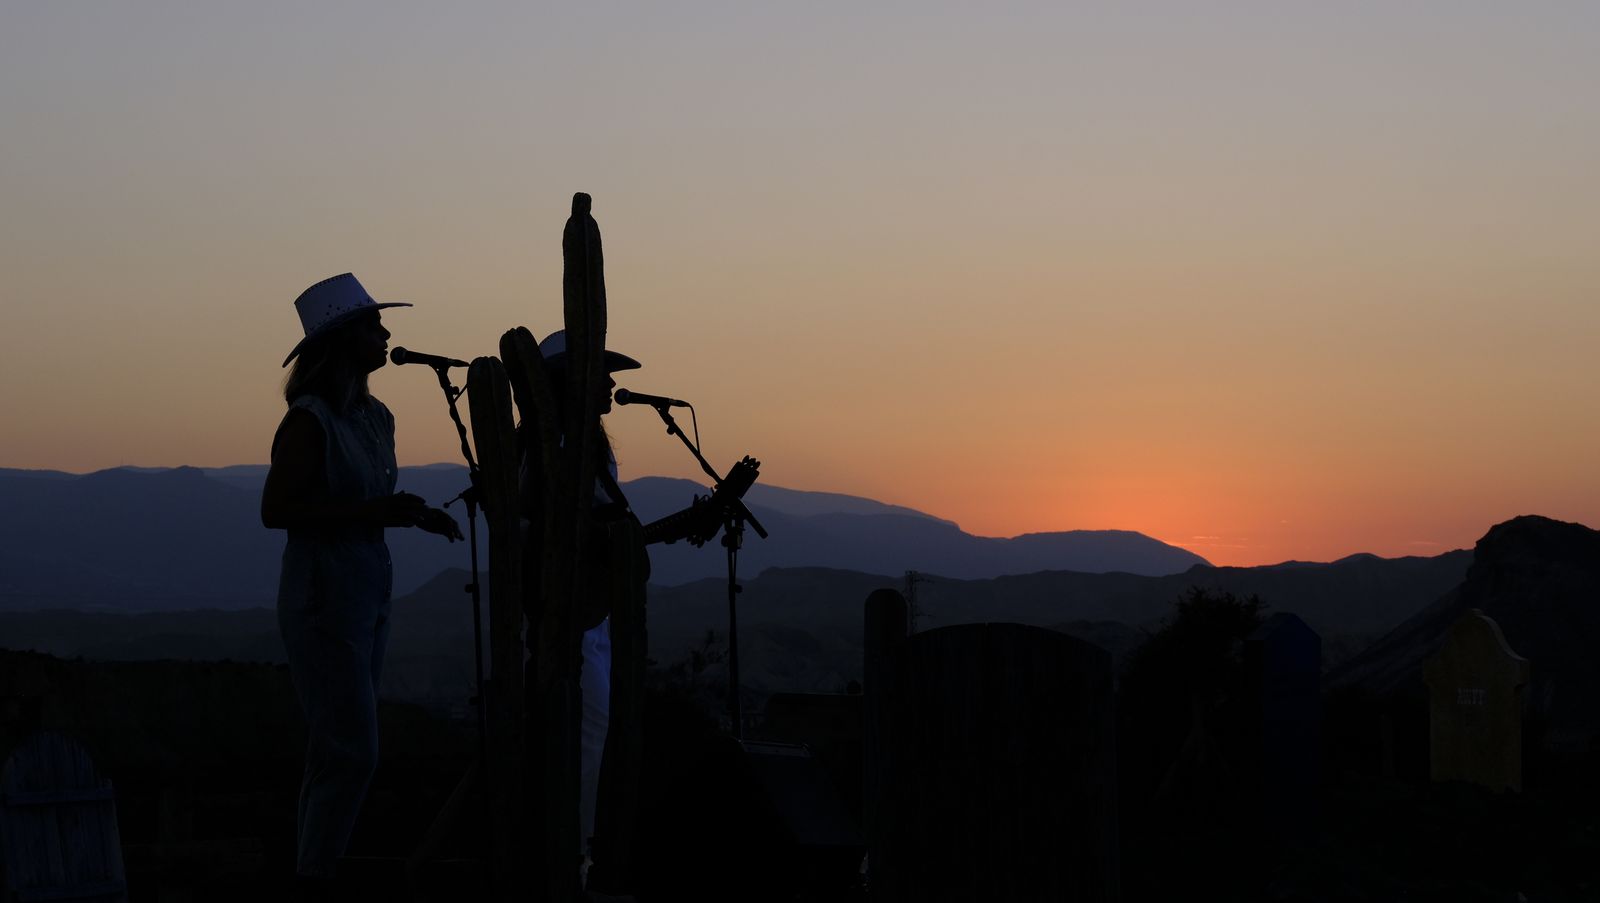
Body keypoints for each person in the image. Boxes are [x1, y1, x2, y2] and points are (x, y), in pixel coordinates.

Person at [261, 273, 462, 890]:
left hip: (367, 590)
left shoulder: (377, 417)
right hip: (322, 598)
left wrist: (410, 514)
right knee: (353, 751)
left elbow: (368, 499)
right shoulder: (309, 420)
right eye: (374, 326)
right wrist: (375, 513)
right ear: (345, 339)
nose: (386, 334)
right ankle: (317, 874)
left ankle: (313, 866)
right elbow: (278, 511)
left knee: (338, 749)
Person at [525, 329, 645, 886]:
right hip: (563, 612)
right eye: (600, 373)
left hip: (592, 613)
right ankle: (569, 858)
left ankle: (584, 853)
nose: (611, 385)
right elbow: (551, 521)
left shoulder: (592, 445)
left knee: (597, 731)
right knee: (586, 734)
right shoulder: (548, 445)